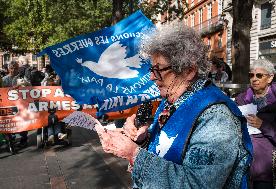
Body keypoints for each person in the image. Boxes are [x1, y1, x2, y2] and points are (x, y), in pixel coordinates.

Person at [96, 22, 252, 188]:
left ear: (188, 71)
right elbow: (165, 150)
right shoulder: (172, 100)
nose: (151, 77)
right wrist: (143, 139)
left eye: (159, 69)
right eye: (151, 69)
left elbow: (197, 184)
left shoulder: (217, 117)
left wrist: (134, 154)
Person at [235, 59, 276, 189]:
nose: (254, 79)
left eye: (259, 75)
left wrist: (263, 125)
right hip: (243, 164)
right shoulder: (241, 99)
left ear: (270, 78)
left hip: (267, 168)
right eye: (251, 75)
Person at [2, 60, 29, 147]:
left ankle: (23, 139)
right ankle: (11, 139)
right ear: (8, 69)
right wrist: (15, 87)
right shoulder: (4, 79)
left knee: (23, 121)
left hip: (21, 105)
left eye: (15, 68)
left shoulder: (22, 78)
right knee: (10, 122)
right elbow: (3, 92)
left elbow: (30, 88)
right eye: (11, 68)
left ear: (18, 69)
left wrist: (26, 84)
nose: (13, 70)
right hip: (9, 105)